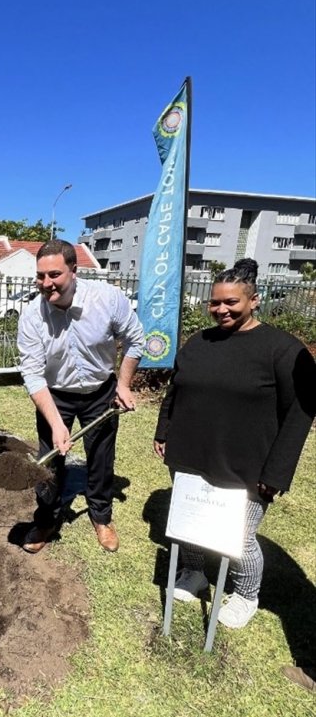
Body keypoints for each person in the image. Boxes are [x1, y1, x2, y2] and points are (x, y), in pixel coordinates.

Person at [154, 258, 315, 629]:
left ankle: (245, 594)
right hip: (193, 453)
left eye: (231, 302)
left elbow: (300, 414)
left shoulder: (283, 350)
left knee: (239, 538)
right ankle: (193, 572)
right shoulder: (200, 342)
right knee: (192, 524)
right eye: (215, 302)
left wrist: (278, 470)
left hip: (249, 464)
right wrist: (164, 431)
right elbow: (175, 390)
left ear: (254, 300)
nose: (221, 310)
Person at [17, 239, 145, 553]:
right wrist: (58, 424)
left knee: (100, 458)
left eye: (54, 275)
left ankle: (101, 517)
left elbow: (135, 341)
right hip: (55, 393)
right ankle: (46, 518)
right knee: (48, 459)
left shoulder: (107, 299)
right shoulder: (32, 316)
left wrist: (124, 385)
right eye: (40, 276)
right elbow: (33, 374)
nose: (46, 284)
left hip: (101, 391)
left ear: (74, 270)